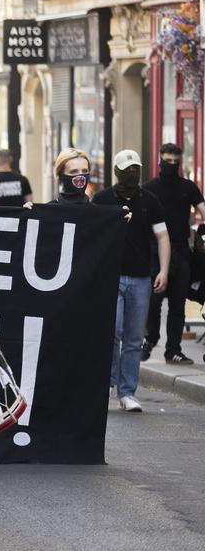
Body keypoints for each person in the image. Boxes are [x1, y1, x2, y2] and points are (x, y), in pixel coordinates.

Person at [93, 150, 170, 412]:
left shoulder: (150, 201)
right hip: (110, 276)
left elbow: (162, 237)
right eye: (127, 169)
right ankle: (107, 385)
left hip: (140, 277)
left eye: (136, 168)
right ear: (116, 172)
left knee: (135, 338)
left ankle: (127, 392)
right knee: (111, 333)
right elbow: (89, 234)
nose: (132, 173)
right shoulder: (102, 199)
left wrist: (164, 270)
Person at [142, 143, 205, 364]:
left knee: (178, 305)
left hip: (180, 250)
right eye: (167, 161)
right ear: (159, 159)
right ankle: (150, 338)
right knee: (153, 301)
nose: (170, 165)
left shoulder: (187, 187)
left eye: (174, 162)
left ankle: (173, 350)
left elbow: (202, 209)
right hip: (154, 252)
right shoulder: (149, 188)